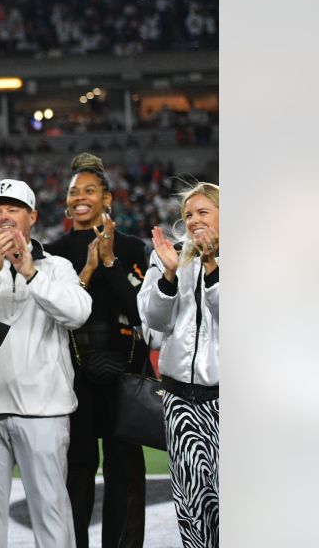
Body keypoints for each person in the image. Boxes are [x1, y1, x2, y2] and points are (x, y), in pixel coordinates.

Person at [0, 178, 92, 548]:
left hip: (44, 408)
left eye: (12, 209)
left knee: (51, 510)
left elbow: (78, 313)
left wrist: (30, 272)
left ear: (32, 217)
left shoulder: (57, 267)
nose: (3, 217)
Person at [45, 153, 150, 548]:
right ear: (67, 201)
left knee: (125, 472)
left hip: (126, 374)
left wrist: (110, 261)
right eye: (74, 192)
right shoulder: (52, 253)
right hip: (74, 375)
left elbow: (140, 312)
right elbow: (59, 313)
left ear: (108, 198)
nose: (80, 198)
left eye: (90, 190)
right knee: (77, 471)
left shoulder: (132, 247)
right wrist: (87, 270)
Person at [139, 182, 219, 548]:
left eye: (203, 212)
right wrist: (169, 277)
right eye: (188, 214)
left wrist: (211, 265)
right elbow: (154, 322)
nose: (194, 220)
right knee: (190, 505)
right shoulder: (169, 256)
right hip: (179, 401)